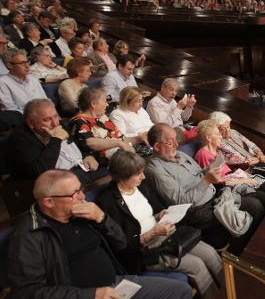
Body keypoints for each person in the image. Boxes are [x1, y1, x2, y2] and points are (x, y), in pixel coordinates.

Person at [5, 169, 193, 299]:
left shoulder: (82, 214)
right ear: (48, 202)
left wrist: (102, 218)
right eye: (74, 194)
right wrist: (90, 295)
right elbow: (28, 293)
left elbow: (121, 243)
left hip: (117, 283)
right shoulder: (29, 235)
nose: (82, 197)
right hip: (84, 296)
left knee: (180, 291)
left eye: (82, 189)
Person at [96, 151, 223, 298]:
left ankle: (231, 290)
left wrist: (159, 215)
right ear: (122, 177)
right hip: (146, 250)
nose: (143, 177)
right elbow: (121, 243)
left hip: (165, 235)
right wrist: (153, 233)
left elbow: (152, 212)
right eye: (138, 174)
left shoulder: (141, 187)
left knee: (210, 253)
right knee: (197, 265)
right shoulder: (107, 201)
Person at [144, 123, 265, 254]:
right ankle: (239, 255)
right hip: (195, 210)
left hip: (214, 195)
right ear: (157, 146)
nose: (176, 144)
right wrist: (207, 179)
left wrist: (212, 168)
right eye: (170, 142)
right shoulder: (154, 170)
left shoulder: (180, 154)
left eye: (176, 139)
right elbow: (181, 200)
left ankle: (253, 247)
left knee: (260, 198)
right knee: (255, 206)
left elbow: (200, 173)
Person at [195, 119, 265, 209]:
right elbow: (216, 182)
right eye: (217, 134)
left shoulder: (215, 150)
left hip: (234, 176)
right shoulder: (203, 154)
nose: (221, 137)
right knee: (263, 193)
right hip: (227, 187)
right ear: (208, 138)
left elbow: (229, 168)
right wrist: (245, 180)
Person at [208, 111, 265, 191]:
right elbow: (241, 160)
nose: (228, 130)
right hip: (247, 169)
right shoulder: (219, 143)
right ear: (215, 130)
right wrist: (261, 159)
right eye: (222, 129)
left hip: (255, 159)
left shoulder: (234, 132)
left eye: (228, 126)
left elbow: (251, 144)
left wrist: (260, 154)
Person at [68, 87, 140, 164]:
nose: (107, 104)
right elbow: (90, 142)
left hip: (120, 157)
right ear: (93, 104)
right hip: (104, 163)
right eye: (105, 101)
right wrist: (118, 143)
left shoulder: (103, 118)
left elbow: (121, 139)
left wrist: (139, 138)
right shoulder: (79, 121)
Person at [0, 48, 46, 113]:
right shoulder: (3, 83)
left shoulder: (33, 79)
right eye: (22, 63)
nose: (27, 66)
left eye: (27, 62)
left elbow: (46, 101)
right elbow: (10, 110)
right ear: (10, 65)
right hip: (22, 120)